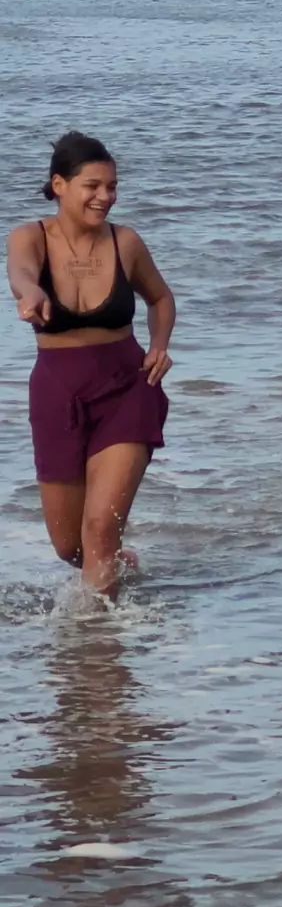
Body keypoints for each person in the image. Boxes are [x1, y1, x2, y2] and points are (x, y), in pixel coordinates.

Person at [7, 131, 175, 600]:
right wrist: (31, 292)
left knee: (99, 528)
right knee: (71, 546)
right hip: (57, 395)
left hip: (127, 388)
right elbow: (21, 272)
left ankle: (100, 637)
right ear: (59, 185)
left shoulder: (126, 242)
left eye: (112, 186)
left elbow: (161, 298)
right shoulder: (30, 237)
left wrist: (159, 344)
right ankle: (115, 570)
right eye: (93, 186)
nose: (106, 196)